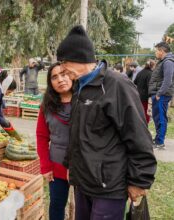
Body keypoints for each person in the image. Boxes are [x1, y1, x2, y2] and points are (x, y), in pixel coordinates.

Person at [56, 25, 157, 220]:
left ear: (79, 58)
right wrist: (71, 167)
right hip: (83, 182)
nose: (62, 68)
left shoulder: (117, 85)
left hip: (108, 186)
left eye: (64, 62)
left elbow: (138, 135)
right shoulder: (79, 86)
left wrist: (139, 181)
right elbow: (77, 132)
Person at [36, 62, 73, 220]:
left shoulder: (85, 101)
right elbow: (41, 136)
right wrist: (45, 166)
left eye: (64, 74)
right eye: (54, 77)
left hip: (84, 166)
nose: (60, 79)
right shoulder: (47, 106)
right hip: (56, 165)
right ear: (50, 82)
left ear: (72, 76)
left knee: (84, 208)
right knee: (57, 205)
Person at [148, 42, 174, 149]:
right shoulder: (162, 61)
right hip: (158, 93)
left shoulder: (168, 62)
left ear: (161, 51)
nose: (155, 52)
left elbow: (168, 80)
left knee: (161, 117)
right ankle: (158, 138)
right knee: (157, 117)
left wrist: (159, 94)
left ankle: (160, 141)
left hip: (162, 94)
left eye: (156, 50)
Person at [134, 59, 156, 124]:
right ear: (152, 66)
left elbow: (135, 82)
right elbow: (150, 86)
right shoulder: (150, 73)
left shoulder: (140, 72)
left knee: (140, 111)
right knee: (146, 112)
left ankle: (139, 124)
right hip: (146, 96)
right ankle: (145, 125)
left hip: (138, 95)